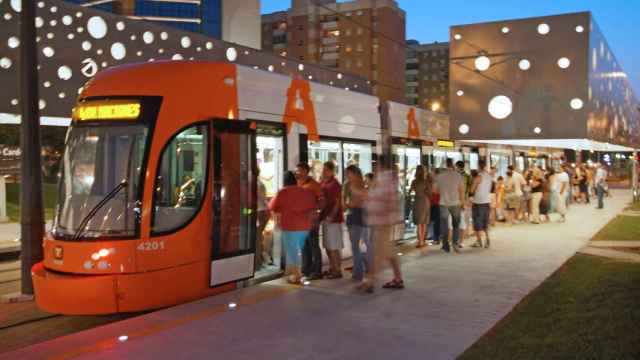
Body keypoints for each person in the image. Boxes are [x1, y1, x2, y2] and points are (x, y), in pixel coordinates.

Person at [362, 161, 404, 292]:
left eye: (376, 165)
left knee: (378, 253)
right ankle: (398, 278)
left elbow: (385, 201)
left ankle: (370, 281)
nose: (374, 168)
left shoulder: (384, 180)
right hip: (382, 221)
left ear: (380, 166)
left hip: (382, 222)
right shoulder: (388, 180)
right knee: (389, 251)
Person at [269, 171, 317, 284]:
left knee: (292, 251)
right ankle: (293, 273)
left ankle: (296, 276)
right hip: (304, 227)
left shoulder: (283, 192)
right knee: (296, 250)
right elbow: (312, 206)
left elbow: (273, 206)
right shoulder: (304, 191)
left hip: (290, 227)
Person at [296, 162, 324, 280]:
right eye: (297, 170)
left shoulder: (314, 185)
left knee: (313, 245)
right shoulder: (298, 184)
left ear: (306, 171)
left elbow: (322, 201)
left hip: (311, 221)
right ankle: (305, 270)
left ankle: (316, 271)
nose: (297, 173)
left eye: (299, 170)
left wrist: (315, 210)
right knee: (303, 246)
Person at [344, 165, 369, 283]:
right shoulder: (350, 185)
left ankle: (358, 272)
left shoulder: (358, 185)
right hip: (354, 216)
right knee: (357, 245)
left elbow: (362, 202)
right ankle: (363, 268)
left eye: (349, 173)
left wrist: (352, 204)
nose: (347, 176)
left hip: (358, 216)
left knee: (356, 246)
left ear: (354, 173)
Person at [433, 159, 465, 253]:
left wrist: (442, 191)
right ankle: (455, 244)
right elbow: (461, 190)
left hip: (443, 203)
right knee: (456, 224)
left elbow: (434, 190)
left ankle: (445, 245)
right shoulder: (458, 176)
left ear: (445, 165)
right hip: (455, 203)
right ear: (453, 165)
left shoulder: (439, 176)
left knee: (444, 225)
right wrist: (462, 202)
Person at [320, 161, 344, 279]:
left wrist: (332, 216)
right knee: (328, 245)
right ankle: (332, 267)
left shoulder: (335, 184)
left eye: (325, 170)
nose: (323, 172)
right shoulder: (324, 182)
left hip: (333, 220)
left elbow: (338, 202)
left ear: (331, 171)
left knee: (333, 246)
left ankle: (337, 270)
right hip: (325, 218)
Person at [470, 160, 492, 248]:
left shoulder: (479, 176)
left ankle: (479, 241)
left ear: (479, 166)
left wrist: (471, 195)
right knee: (485, 222)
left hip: (478, 202)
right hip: (487, 201)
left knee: (477, 222)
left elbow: (472, 189)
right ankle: (487, 239)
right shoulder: (489, 176)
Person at [410, 165, 431, 248]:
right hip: (425, 201)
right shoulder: (426, 181)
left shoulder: (414, 181)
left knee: (418, 223)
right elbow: (430, 192)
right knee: (424, 222)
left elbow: (411, 190)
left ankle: (420, 241)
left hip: (417, 201)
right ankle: (423, 241)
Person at [256, 168, 271, 269]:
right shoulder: (259, 184)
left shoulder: (257, 184)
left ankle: (258, 262)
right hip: (262, 211)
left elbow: (263, 199)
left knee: (257, 238)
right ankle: (260, 260)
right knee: (258, 237)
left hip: (260, 212)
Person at [428, 168, 441, 244]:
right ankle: (435, 237)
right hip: (435, 203)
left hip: (435, 203)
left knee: (436, 221)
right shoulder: (438, 181)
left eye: (432, 173)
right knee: (435, 221)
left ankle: (436, 238)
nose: (431, 174)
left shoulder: (436, 182)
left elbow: (434, 191)